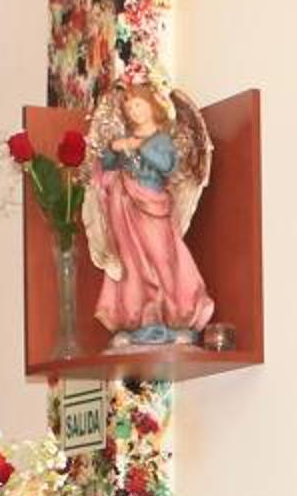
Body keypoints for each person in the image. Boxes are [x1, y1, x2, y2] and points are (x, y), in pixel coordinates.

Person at [89, 83, 214, 335]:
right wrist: (113, 150)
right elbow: (107, 165)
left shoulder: (161, 139)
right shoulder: (125, 138)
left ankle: (174, 310)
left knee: (162, 257)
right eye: (129, 108)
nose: (134, 111)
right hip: (124, 209)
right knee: (132, 262)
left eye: (138, 105)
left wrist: (139, 146)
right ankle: (141, 314)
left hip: (152, 206)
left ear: (152, 106)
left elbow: (167, 165)